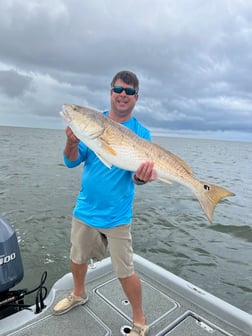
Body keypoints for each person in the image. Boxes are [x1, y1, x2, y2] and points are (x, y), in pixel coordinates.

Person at [53, 70, 157, 336]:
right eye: (118, 90)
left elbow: (137, 177)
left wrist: (143, 178)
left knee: (125, 270)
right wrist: (70, 141)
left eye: (129, 92)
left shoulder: (142, 133)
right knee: (77, 258)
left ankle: (140, 321)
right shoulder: (93, 124)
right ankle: (78, 294)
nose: (123, 95)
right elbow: (70, 160)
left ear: (136, 97)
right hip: (86, 209)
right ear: (111, 92)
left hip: (118, 215)